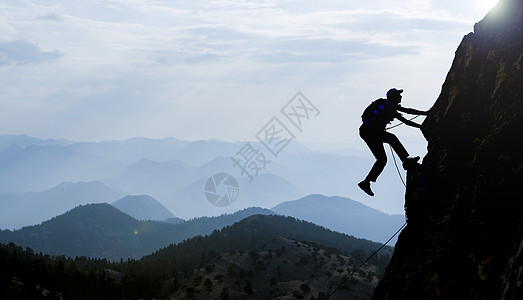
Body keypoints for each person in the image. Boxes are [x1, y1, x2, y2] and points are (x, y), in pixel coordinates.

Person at [358, 88, 428, 196]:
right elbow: (408, 112)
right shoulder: (390, 107)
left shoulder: (388, 107)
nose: (401, 97)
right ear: (394, 97)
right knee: (391, 138)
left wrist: (421, 126)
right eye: (398, 95)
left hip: (366, 131)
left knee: (382, 159)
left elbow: (406, 121)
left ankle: (366, 182)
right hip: (371, 131)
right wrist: (426, 113)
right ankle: (406, 161)